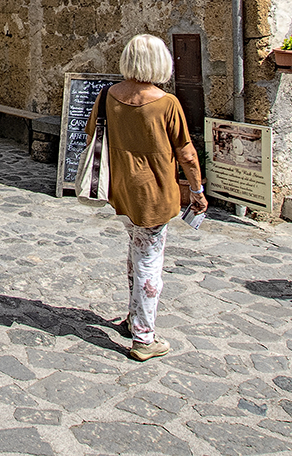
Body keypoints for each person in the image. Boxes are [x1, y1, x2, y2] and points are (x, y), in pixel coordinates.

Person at [87, 33, 207, 362]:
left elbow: (91, 134)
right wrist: (196, 191)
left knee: (136, 253)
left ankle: (132, 318)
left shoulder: (107, 95)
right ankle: (144, 337)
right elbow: (187, 153)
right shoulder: (166, 103)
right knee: (149, 263)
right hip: (153, 195)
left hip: (122, 191)